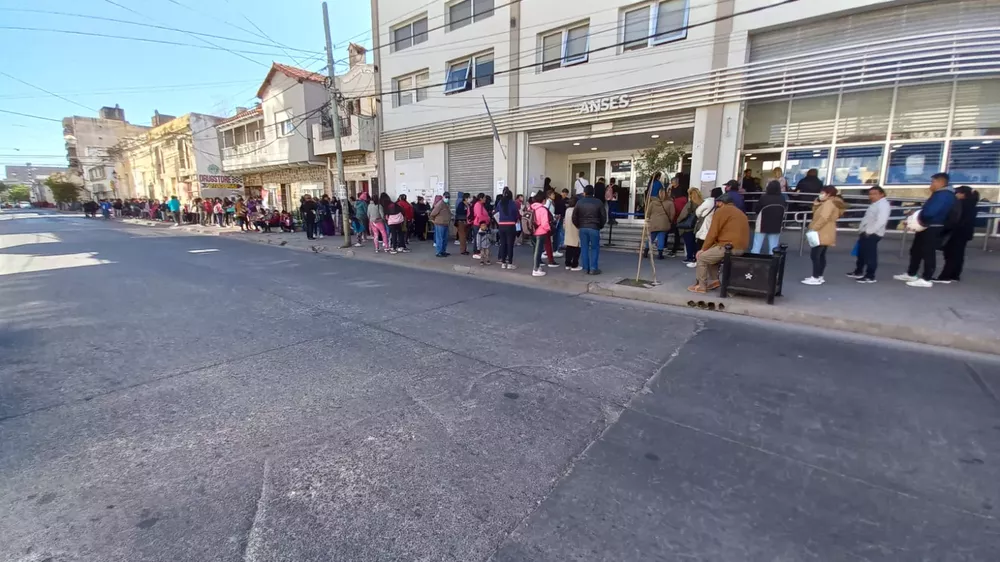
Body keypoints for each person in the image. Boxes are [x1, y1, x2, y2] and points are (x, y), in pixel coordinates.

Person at [894, 173, 957, 288]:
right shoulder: (941, 194)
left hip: (933, 226)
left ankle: (927, 278)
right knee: (916, 250)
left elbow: (930, 212)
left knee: (928, 252)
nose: (930, 184)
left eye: (932, 182)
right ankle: (911, 273)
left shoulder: (944, 195)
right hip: (928, 225)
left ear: (940, 182)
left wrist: (918, 218)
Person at [688, 193, 749, 293]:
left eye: (717, 203)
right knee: (712, 256)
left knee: (702, 257)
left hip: (729, 247)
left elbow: (713, 232)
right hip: (741, 247)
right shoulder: (739, 212)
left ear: (721, 203)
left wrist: (703, 249)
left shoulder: (721, 211)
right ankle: (714, 281)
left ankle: (701, 286)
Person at [845, 185, 891, 283]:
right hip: (866, 231)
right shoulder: (875, 204)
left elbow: (881, 220)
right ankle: (858, 271)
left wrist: (869, 231)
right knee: (862, 253)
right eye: (870, 194)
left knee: (870, 255)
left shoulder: (883, 205)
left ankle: (870, 275)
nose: (871, 196)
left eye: (875, 194)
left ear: (882, 194)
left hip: (873, 233)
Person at [802, 186, 846, 286]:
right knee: (821, 255)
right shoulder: (831, 203)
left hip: (821, 231)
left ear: (828, 194)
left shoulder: (829, 203)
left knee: (815, 255)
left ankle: (816, 277)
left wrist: (814, 228)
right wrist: (817, 202)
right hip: (827, 231)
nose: (820, 194)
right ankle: (819, 276)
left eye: (822, 192)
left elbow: (823, 218)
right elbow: (816, 211)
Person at [937, 185, 979, 283]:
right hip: (964, 232)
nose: (955, 195)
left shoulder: (959, 204)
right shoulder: (972, 204)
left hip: (956, 232)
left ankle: (945, 276)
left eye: (957, 193)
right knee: (958, 254)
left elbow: (954, 218)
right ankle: (954, 275)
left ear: (962, 194)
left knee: (951, 254)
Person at [572, 184, 607, 276]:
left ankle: (585, 268)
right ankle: (593, 268)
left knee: (584, 248)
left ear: (584, 193)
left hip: (582, 227)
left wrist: (579, 225)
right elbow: (603, 216)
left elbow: (574, 216)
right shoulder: (598, 202)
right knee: (595, 248)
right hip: (594, 227)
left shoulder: (579, 202)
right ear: (593, 193)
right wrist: (600, 226)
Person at [689, 187, 722, 269]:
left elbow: (698, 212)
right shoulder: (722, 203)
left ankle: (698, 261)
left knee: (700, 246)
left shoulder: (709, 202)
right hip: (715, 228)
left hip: (705, 227)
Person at [751, 181, 787, 255]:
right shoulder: (782, 198)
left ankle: (754, 261)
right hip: (776, 224)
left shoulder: (764, 197)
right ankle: (773, 262)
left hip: (762, 224)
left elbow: (757, 210)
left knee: (757, 246)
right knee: (773, 247)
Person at [643, 188, 675, 260]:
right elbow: (672, 214)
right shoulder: (670, 203)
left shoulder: (653, 203)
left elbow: (648, 213)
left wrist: (648, 219)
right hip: (664, 223)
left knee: (651, 238)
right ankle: (660, 254)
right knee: (661, 238)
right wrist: (670, 220)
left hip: (653, 223)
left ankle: (645, 252)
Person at [494, 188, 519, 270]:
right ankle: (510, 263)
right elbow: (516, 215)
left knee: (503, 244)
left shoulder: (500, 203)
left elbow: (496, 213)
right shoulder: (513, 203)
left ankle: (503, 263)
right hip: (510, 226)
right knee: (510, 245)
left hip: (501, 226)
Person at [529, 191, 553, 277]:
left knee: (536, 250)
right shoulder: (542, 209)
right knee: (538, 251)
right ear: (543, 200)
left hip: (532, 231)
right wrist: (549, 229)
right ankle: (535, 269)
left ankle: (537, 267)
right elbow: (545, 223)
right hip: (541, 232)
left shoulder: (531, 207)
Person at [678, 188, 702, 263]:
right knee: (694, 243)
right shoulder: (701, 203)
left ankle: (690, 257)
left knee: (688, 242)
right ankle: (695, 256)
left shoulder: (690, 203)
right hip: (696, 226)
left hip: (687, 226)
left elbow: (683, 214)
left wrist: (678, 221)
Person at [563, 195, 582, 271]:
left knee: (569, 248)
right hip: (576, 231)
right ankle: (575, 265)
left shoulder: (567, 210)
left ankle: (567, 264)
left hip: (568, 230)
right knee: (576, 249)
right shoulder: (577, 211)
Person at [470, 193, 489, 259]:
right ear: (481, 198)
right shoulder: (478, 205)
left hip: (482, 224)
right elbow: (479, 215)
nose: (485, 199)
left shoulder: (481, 205)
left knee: (481, 239)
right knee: (477, 239)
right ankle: (476, 252)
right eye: (484, 197)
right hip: (478, 224)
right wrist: (485, 220)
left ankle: (480, 252)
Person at [551, 189, 566, 256]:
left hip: (554, 219)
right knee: (558, 233)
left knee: (555, 234)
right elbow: (564, 211)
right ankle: (556, 249)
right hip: (560, 218)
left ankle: (552, 249)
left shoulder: (553, 203)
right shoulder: (562, 203)